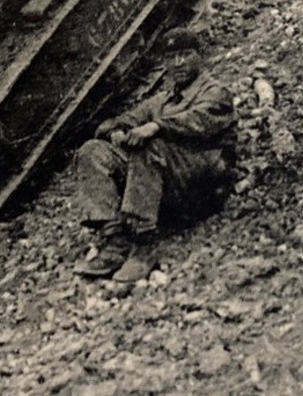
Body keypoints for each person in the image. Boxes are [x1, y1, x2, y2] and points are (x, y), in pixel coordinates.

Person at [72, 28, 236, 282]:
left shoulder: (215, 92)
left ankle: (144, 243)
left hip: (200, 188)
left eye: (185, 54)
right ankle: (116, 239)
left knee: (150, 145)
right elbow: (120, 121)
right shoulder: (161, 100)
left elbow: (200, 119)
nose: (178, 63)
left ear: (199, 56)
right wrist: (116, 130)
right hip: (163, 187)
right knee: (93, 150)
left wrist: (157, 126)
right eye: (171, 57)